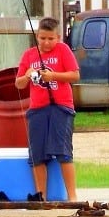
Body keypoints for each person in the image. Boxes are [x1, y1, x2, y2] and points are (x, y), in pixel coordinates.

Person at [15, 16, 80, 201]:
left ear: (58, 37)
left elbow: (75, 75)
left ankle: (72, 196)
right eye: (42, 38)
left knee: (63, 151)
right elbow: (19, 84)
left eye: (51, 38)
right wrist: (27, 76)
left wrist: (53, 76)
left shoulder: (63, 50)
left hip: (61, 107)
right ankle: (41, 196)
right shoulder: (29, 55)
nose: (46, 42)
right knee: (37, 154)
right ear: (37, 36)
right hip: (37, 109)